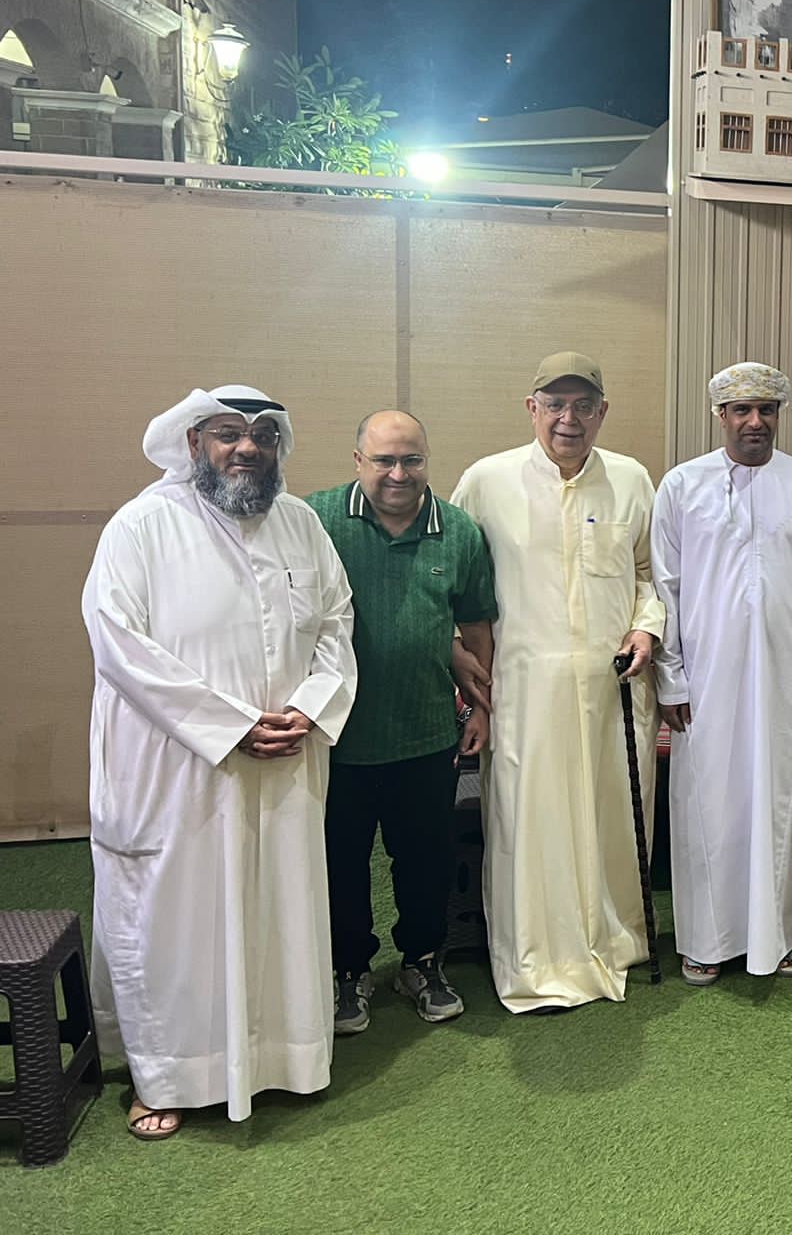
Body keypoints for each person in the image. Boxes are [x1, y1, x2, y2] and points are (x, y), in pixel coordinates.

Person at [82, 386, 356, 1138]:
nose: (248, 448)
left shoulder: (300, 524)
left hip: (286, 760)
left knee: (279, 909)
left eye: (264, 435)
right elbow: (118, 644)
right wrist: (228, 726)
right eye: (229, 433)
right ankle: (164, 1076)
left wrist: (313, 705)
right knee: (175, 922)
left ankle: (286, 1060)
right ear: (194, 442)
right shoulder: (142, 525)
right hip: (179, 770)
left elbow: (337, 624)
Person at [448, 353, 665, 1012]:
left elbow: (648, 574)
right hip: (524, 691)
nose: (569, 418)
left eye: (584, 406)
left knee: (611, 821)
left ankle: (616, 941)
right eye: (555, 404)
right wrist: (459, 661)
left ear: (603, 411)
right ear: (531, 408)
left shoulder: (630, 478)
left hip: (611, 690)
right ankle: (535, 958)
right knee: (528, 826)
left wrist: (646, 628)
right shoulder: (486, 481)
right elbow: (454, 579)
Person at [651, 363, 792, 984]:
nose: (755, 422)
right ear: (720, 416)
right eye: (741, 410)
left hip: (788, 681)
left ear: (779, 415)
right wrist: (671, 678)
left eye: (766, 410)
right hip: (704, 683)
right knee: (707, 804)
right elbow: (665, 588)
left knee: (782, 803)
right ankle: (705, 940)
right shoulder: (682, 485)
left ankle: (780, 937)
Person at [308, 410, 496, 1032]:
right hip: (337, 737)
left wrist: (479, 707)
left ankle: (422, 961)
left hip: (426, 732)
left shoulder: (458, 530)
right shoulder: (314, 519)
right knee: (339, 861)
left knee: (425, 861)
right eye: (383, 460)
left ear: (426, 461)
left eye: (411, 460)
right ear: (357, 461)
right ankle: (348, 969)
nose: (398, 473)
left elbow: (474, 624)